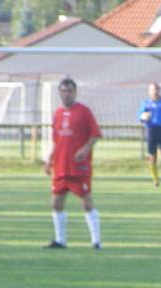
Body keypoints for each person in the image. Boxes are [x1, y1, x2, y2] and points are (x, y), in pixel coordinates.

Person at [44, 78, 102, 249]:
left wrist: (85, 149)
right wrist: (50, 160)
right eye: (63, 90)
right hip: (61, 166)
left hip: (79, 167)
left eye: (69, 91)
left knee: (86, 202)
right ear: (60, 93)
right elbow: (57, 140)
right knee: (56, 203)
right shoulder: (58, 113)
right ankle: (60, 240)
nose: (66, 94)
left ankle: (96, 241)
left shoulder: (84, 112)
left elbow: (95, 134)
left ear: (75, 92)